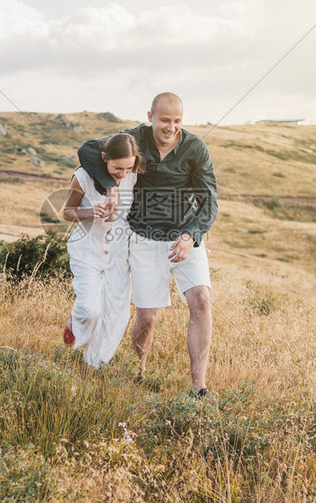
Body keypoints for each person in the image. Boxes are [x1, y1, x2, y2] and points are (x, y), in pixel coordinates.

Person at [77, 92, 218, 396]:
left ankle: (199, 388)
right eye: (165, 120)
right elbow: (88, 149)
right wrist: (110, 186)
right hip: (143, 238)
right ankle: (139, 370)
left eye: (178, 121)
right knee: (147, 317)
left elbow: (209, 201)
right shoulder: (134, 138)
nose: (171, 127)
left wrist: (191, 234)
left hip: (185, 238)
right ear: (151, 117)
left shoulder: (195, 148)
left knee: (202, 302)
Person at [62, 133, 143, 370]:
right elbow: (67, 212)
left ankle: (92, 365)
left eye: (128, 168)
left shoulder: (132, 177)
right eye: (118, 168)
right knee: (89, 310)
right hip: (86, 250)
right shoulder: (83, 176)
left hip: (119, 254)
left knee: (115, 315)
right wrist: (89, 212)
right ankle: (75, 324)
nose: (123, 174)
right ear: (104, 158)